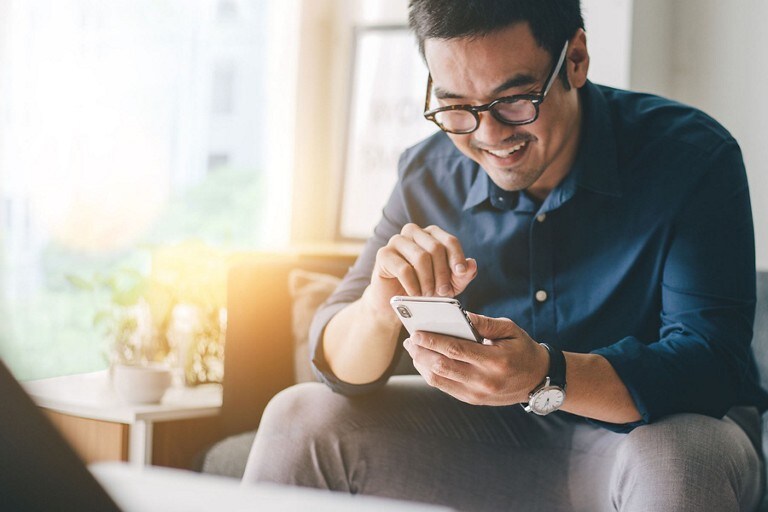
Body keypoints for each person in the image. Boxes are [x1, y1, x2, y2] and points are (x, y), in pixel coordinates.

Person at [243, 1, 768, 510]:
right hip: (493, 444)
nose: (489, 136)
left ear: (576, 60)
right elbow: (336, 364)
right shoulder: (428, 174)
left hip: (654, 438)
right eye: (455, 107)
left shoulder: (691, 157)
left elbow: (710, 365)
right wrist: (379, 312)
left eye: (515, 100)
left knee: (678, 458)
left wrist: (546, 375)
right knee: (299, 417)